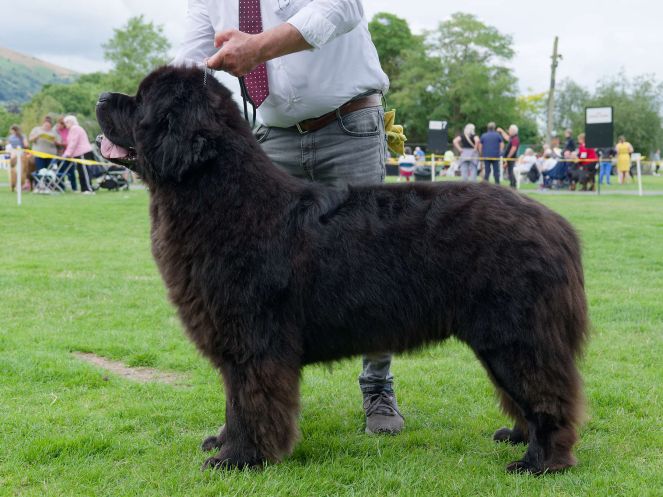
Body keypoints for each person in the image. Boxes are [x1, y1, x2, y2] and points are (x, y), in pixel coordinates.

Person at [175, 0, 403, 434]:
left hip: (349, 124)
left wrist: (258, 48)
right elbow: (189, 62)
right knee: (253, 279)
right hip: (271, 137)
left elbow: (341, 9)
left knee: (370, 266)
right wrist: (147, 111)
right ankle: (250, 407)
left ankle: (378, 387)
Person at [62, 115, 95, 195]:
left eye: (67, 122)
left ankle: (88, 189)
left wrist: (67, 154)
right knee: (81, 172)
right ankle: (84, 189)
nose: (66, 124)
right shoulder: (73, 129)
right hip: (79, 154)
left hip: (82, 153)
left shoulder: (75, 128)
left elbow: (73, 142)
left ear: (72, 121)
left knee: (84, 171)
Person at [55, 116, 77, 192]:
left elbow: (71, 141)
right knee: (60, 170)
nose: (59, 125)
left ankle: (74, 187)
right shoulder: (56, 131)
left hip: (69, 154)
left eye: (61, 124)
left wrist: (65, 144)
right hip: (60, 154)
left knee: (71, 171)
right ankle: (61, 187)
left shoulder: (69, 130)